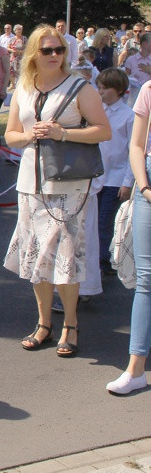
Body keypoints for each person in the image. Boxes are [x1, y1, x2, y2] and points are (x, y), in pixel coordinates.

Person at [3, 24, 110, 357]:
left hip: (68, 183)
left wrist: (62, 133)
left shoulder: (80, 87)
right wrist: (31, 136)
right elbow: (11, 136)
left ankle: (70, 324)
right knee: (36, 256)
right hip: (31, 182)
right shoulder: (22, 87)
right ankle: (44, 323)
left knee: (65, 258)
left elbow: (103, 131)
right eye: (46, 50)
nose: (54, 55)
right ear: (34, 53)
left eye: (59, 49)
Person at [106, 78, 151, 395]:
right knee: (147, 280)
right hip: (148, 183)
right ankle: (135, 369)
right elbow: (136, 145)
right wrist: (145, 187)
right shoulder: (149, 90)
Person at [94, 69, 133, 276]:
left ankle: (101, 261)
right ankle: (98, 257)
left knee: (104, 221)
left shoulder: (129, 116)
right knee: (93, 220)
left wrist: (127, 182)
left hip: (115, 178)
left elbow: (132, 152)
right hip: (96, 176)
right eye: (98, 87)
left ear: (117, 90)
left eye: (104, 88)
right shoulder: (98, 111)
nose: (100, 92)